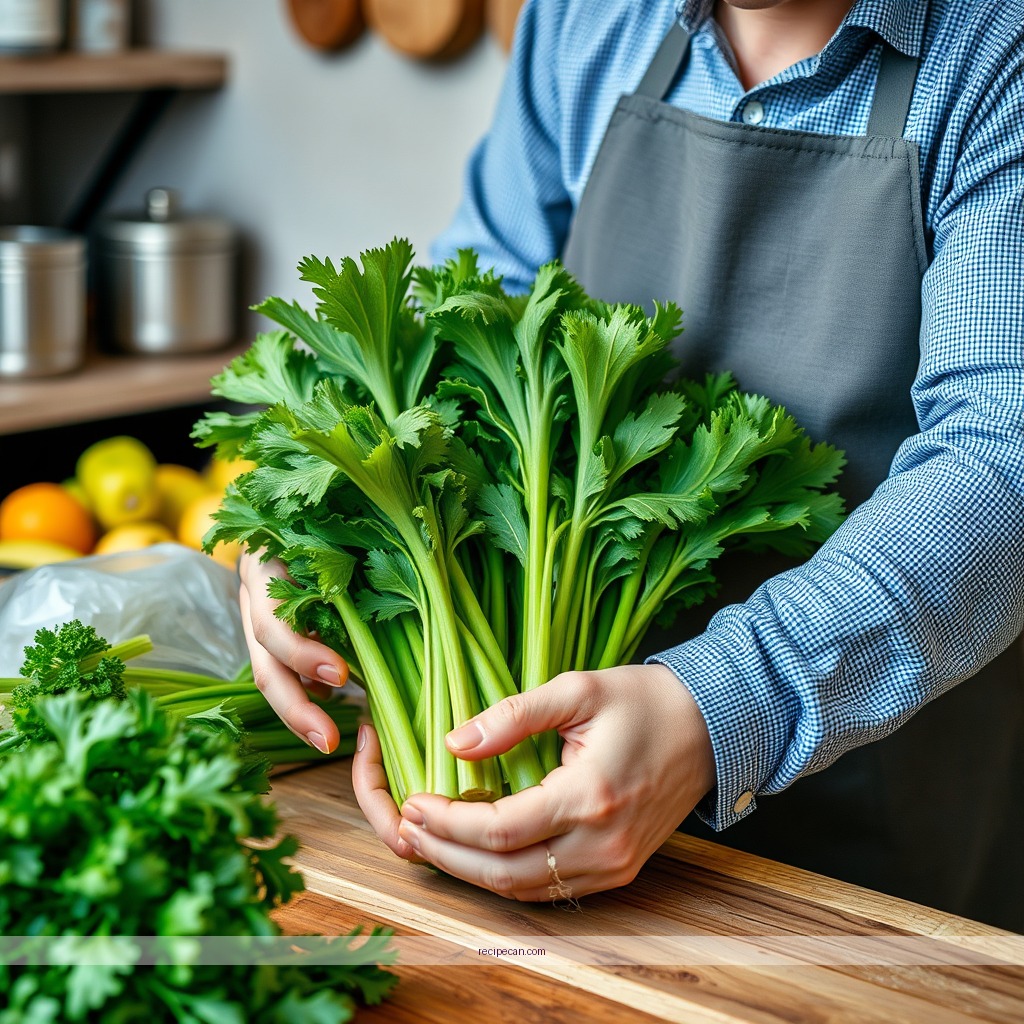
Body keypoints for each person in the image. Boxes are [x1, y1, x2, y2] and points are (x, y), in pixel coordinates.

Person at [239, 0, 1024, 929]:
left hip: (871, 824)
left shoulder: (997, 48)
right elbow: (476, 307)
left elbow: (1000, 453)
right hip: (531, 802)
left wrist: (718, 706)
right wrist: (318, 526)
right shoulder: (584, 13)